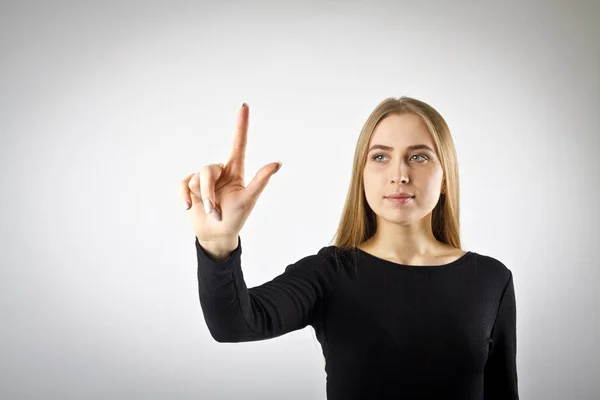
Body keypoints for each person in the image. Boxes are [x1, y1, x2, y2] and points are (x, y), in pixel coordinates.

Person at [179, 97, 519, 399]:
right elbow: (234, 325)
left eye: (418, 156)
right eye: (381, 157)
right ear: (362, 174)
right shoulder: (329, 274)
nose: (399, 174)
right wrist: (217, 243)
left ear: (445, 177)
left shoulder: (491, 280)